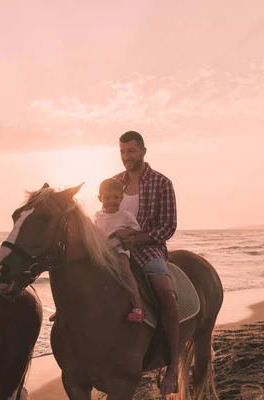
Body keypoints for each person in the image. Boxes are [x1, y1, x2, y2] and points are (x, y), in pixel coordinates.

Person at [113, 130, 179, 396]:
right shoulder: (113, 182)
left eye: (131, 151)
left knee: (164, 290)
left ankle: (173, 365)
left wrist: (136, 239)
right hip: (115, 249)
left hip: (149, 249)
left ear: (142, 151)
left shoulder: (161, 183)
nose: (126, 156)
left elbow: (168, 227)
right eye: (122, 152)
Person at [92, 178, 145, 322]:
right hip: (102, 252)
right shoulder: (97, 216)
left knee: (126, 271)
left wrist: (125, 232)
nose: (111, 201)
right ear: (100, 198)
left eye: (116, 197)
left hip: (119, 250)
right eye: (107, 197)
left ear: (121, 198)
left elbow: (137, 230)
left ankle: (138, 306)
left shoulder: (126, 216)